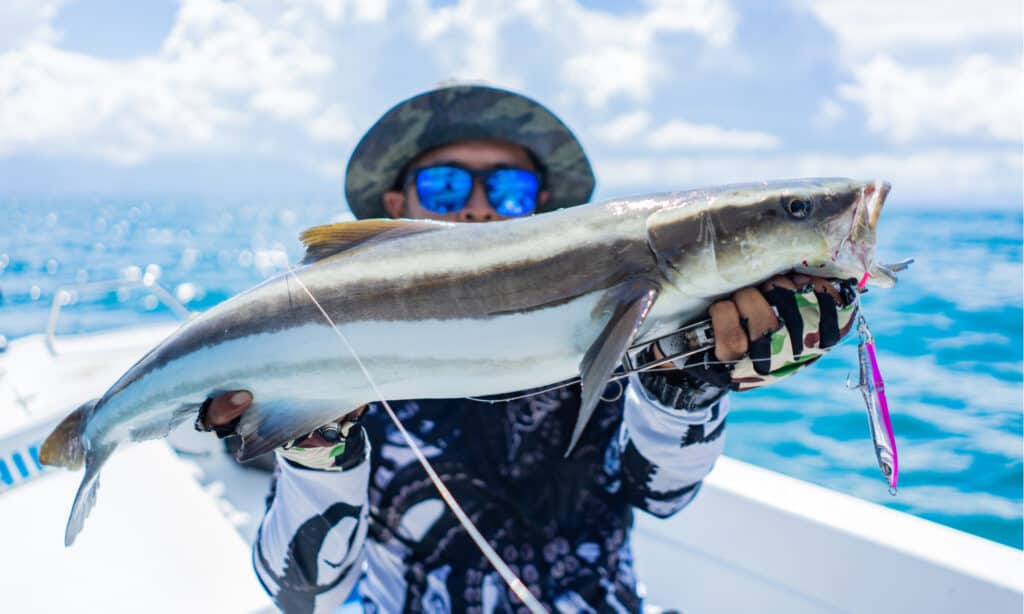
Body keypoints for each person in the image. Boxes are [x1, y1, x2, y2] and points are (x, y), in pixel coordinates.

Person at [199, 85, 856, 613]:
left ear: (542, 209)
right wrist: (318, 443)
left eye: (509, 191)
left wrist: (688, 378)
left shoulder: (622, 329)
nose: (482, 210)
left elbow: (660, 495)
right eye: (447, 190)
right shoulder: (342, 366)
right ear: (396, 207)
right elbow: (301, 596)